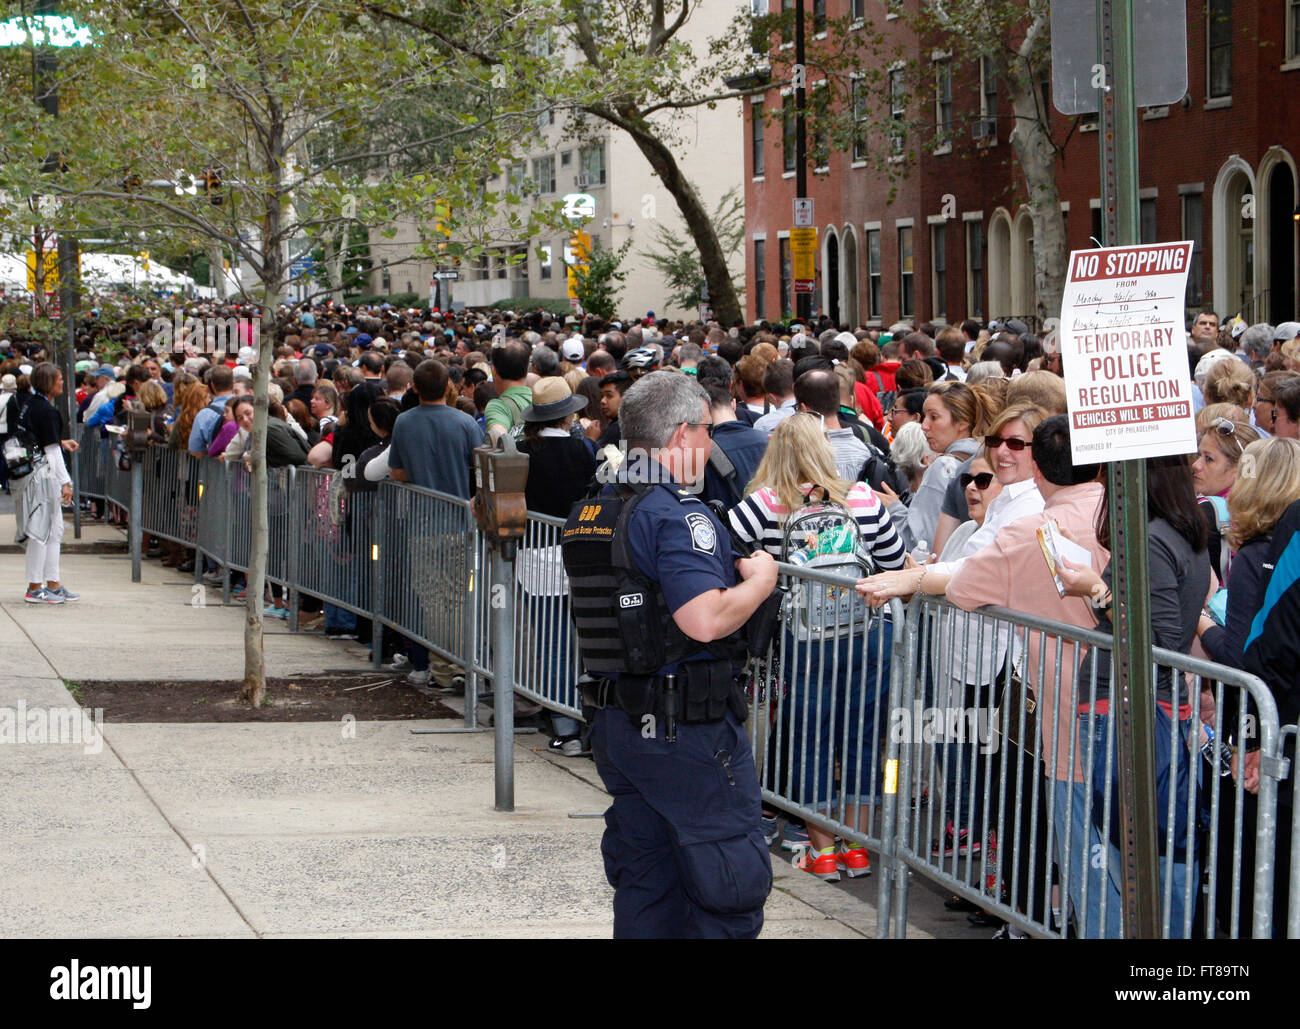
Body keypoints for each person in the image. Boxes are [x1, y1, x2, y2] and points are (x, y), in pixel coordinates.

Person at [563, 370, 778, 938]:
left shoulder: (594, 507)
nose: (711, 444)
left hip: (620, 725)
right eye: (707, 431)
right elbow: (704, 620)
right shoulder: (676, 515)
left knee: (647, 888)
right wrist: (761, 581)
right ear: (682, 435)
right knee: (725, 882)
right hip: (687, 731)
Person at [729, 413, 905, 882]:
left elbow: (725, 554)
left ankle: (823, 853)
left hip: (804, 641)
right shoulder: (864, 498)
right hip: (869, 633)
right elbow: (893, 562)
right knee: (864, 739)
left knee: (810, 739)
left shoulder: (763, 504)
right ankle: (858, 849)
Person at [1057, 455, 1210, 938]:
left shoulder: (1151, 538)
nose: (1103, 483)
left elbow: (1160, 642)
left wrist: (1097, 591)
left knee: (1145, 852)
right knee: (1159, 850)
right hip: (1146, 708)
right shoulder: (1184, 533)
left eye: (1110, 473)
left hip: (1129, 711)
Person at [387, 359, 485, 688]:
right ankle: (459, 667)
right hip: (459, 524)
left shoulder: (403, 423)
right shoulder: (466, 422)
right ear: (448, 387)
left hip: (423, 525)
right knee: (458, 599)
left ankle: (443, 668)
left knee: (432, 600)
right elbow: (481, 469)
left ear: (414, 387)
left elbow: (397, 472)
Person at [12, 363, 79, 604]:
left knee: (53, 528)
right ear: (49, 383)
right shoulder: (48, 411)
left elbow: (39, 440)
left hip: (31, 472)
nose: (63, 382)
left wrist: (60, 443)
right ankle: (35, 586)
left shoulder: (29, 404)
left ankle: (52, 582)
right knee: (41, 530)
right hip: (42, 475)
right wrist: (66, 482)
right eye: (59, 379)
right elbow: (51, 452)